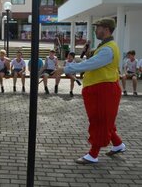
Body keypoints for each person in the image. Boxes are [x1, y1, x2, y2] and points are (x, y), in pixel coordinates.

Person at [53, 18, 126, 164]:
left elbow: (90, 64)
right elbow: (88, 61)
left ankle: (93, 155)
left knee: (100, 121)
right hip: (102, 88)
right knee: (105, 120)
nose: (95, 30)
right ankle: (118, 144)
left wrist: (65, 69)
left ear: (105, 29)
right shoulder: (106, 46)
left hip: (104, 89)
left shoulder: (107, 49)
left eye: (97, 27)